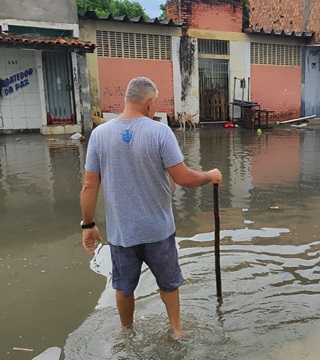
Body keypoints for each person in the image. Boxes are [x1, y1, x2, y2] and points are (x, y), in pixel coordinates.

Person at [80, 77, 222, 336]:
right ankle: (177, 330)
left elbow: (89, 187)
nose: (154, 108)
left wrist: (88, 225)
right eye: (154, 103)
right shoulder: (159, 132)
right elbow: (183, 178)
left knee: (123, 287)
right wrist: (209, 176)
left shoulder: (99, 135)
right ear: (147, 103)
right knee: (169, 284)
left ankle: (127, 333)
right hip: (158, 230)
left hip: (122, 233)